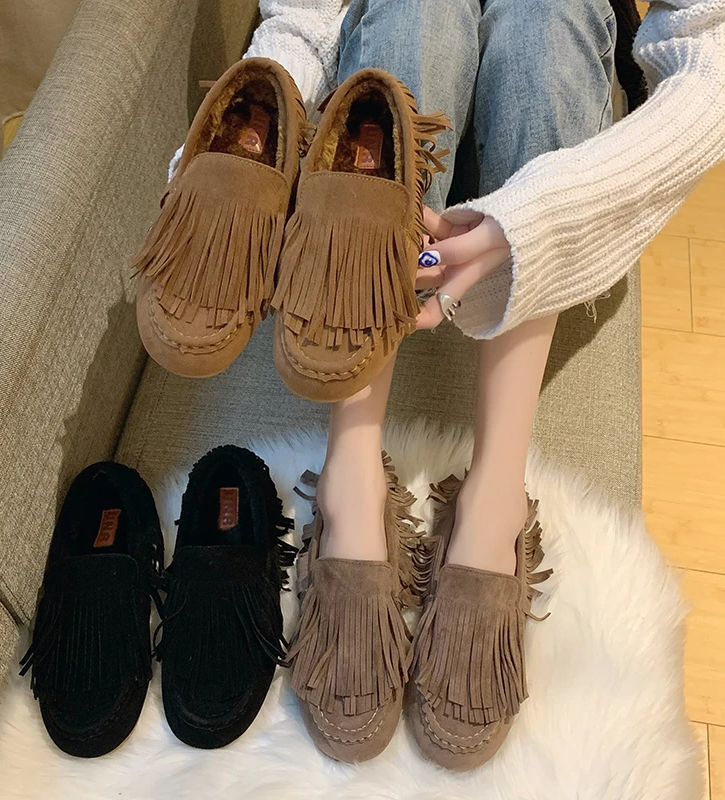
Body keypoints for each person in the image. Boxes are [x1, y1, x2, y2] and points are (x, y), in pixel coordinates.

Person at [167, 0, 725, 764]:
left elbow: (710, 58)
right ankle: (352, 469)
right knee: (416, 11)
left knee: (549, 21)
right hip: (398, 121)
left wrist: (548, 214)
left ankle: (495, 494)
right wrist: (241, 139)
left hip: (543, 127)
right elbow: (305, 17)